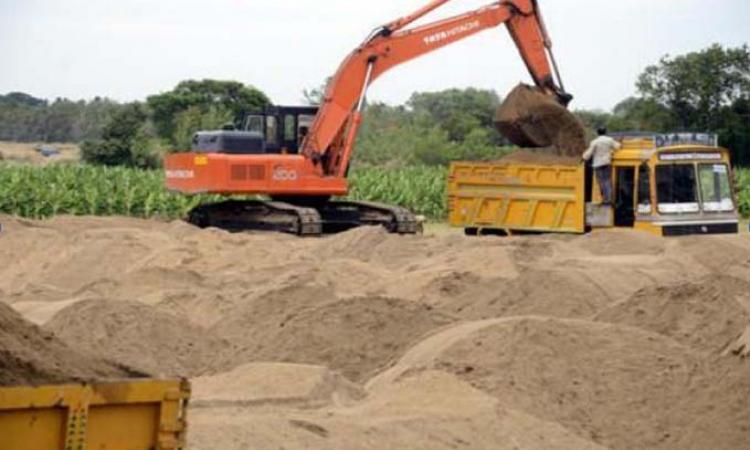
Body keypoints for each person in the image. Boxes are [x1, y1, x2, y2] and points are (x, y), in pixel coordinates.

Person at [582, 127, 621, 205]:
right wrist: (612, 151)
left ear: (597, 133)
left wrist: (583, 158)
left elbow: (589, 153)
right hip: (607, 162)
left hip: (598, 164)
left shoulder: (594, 142)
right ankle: (609, 198)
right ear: (605, 132)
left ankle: (605, 198)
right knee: (607, 181)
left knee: (601, 181)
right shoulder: (609, 140)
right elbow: (618, 146)